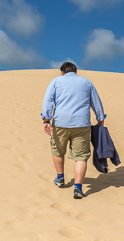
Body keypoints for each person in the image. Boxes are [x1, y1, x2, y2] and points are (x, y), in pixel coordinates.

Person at [41, 62, 106, 199]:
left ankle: (60, 178)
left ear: (62, 72)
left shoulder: (56, 81)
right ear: (75, 71)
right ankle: (78, 188)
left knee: (58, 150)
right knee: (81, 156)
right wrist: (100, 119)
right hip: (82, 124)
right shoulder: (86, 82)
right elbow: (96, 101)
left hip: (61, 123)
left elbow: (48, 100)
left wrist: (46, 120)